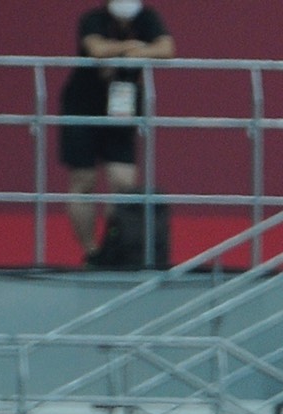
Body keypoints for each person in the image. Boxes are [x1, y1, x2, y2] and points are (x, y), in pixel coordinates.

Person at [58, 1, 175, 262]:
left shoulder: (147, 17)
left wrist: (136, 52)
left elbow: (167, 49)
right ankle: (90, 251)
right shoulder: (94, 18)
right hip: (82, 106)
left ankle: (112, 248)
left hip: (122, 107)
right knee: (83, 180)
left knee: (124, 182)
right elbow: (96, 49)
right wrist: (132, 47)